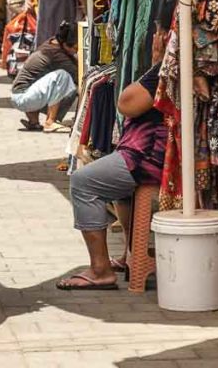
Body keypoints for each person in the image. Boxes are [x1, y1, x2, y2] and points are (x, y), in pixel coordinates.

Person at [57, 26, 169, 290]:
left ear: (164, 35)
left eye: (157, 31)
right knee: (120, 191)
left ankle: (100, 270)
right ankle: (133, 254)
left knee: (83, 182)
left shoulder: (168, 68)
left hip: (150, 154)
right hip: (152, 152)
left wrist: (156, 64)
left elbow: (127, 103)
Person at [11, 20, 78, 133]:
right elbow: (78, 76)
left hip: (21, 95)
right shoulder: (56, 54)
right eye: (75, 48)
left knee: (46, 78)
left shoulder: (52, 43)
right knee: (64, 78)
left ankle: (34, 122)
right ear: (66, 44)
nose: (76, 51)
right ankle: (50, 122)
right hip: (23, 98)